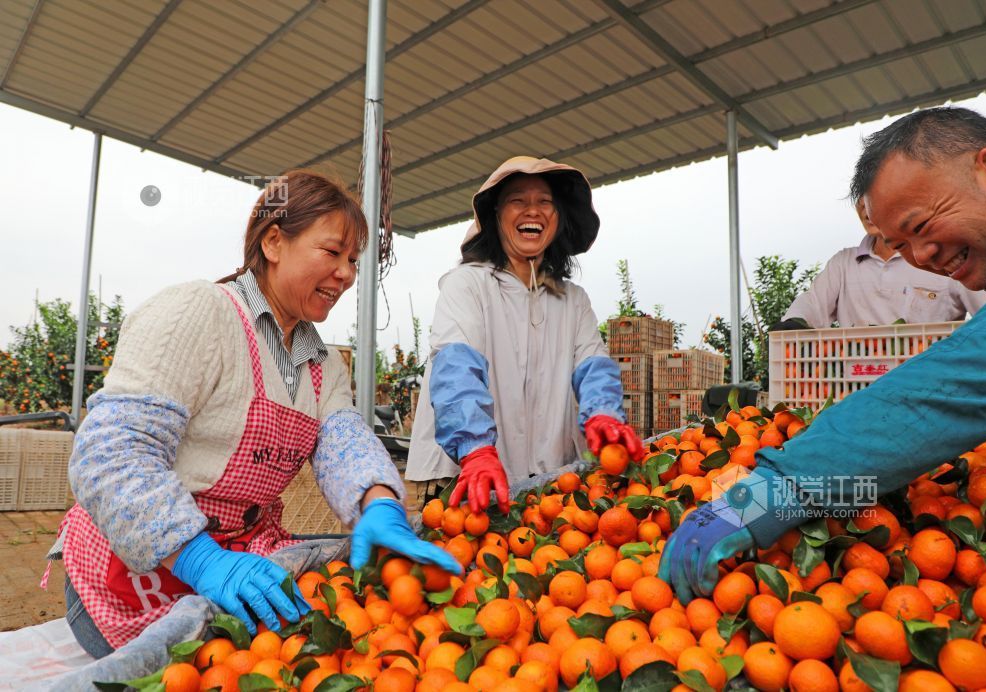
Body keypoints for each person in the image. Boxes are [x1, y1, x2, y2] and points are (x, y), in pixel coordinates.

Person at [55, 170, 459, 657]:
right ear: (273, 242)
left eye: (353, 260)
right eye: (333, 253)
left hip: (244, 558)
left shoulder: (322, 363)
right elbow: (110, 453)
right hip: (134, 577)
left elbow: (344, 441)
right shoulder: (198, 313)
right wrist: (202, 560)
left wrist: (379, 504)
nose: (348, 273)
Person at [659, 106, 986, 604]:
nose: (922, 257)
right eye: (902, 243)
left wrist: (776, 491)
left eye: (921, 224)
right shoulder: (848, 264)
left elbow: (962, 374)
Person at [406, 156, 645, 513]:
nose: (532, 210)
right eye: (518, 200)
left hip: (547, 481)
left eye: (545, 202)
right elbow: (456, 367)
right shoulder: (468, 285)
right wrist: (475, 448)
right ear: (496, 216)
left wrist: (602, 413)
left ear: (558, 218)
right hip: (463, 478)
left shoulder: (572, 300)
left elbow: (593, 366)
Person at [776, 198, 986, 329]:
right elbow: (811, 305)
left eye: (874, 199)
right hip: (855, 386)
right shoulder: (843, 264)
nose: (866, 210)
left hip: (928, 385)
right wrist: (793, 322)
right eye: (859, 200)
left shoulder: (941, 258)